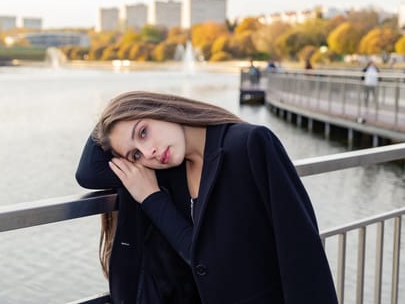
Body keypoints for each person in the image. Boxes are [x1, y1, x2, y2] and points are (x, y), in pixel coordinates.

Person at [76, 91, 338, 304]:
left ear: (160, 108)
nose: (149, 152)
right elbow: (89, 173)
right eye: (135, 155)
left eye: (143, 131)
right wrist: (112, 124)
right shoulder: (171, 171)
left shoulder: (249, 145)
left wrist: (152, 198)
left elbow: (302, 254)